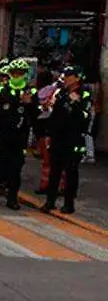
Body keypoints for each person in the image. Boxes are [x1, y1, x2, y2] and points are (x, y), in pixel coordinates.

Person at [0, 59, 36, 210]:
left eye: (21, 73)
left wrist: (29, 103)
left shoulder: (31, 93)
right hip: (1, 134)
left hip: (19, 136)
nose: (17, 76)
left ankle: (12, 199)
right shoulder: (0, 91)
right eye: (14, 73)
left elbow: (37, 115)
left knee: (16, 168)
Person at [42, 66, 94, 214]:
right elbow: (54, 115)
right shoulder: (61, 93)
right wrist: (49, 134)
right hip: (58, 137)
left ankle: (69, 203)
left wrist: (76, 104)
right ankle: (50, 201)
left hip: (74, 138)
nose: (65, 78)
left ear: (77, 78)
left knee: (71, 171)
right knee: (54, 171)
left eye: (69, 75)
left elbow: (85, 117)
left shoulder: (84, 94)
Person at [34, 63, 61, 193]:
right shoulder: (51, 90)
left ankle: (50, 186)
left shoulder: (50, 91)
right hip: (47, 127)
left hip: (48, 127)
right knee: (49, 160)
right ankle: (48, 185)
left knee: (50, 160)